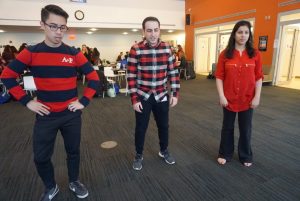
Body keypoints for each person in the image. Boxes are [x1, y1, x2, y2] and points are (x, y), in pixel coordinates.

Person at [0, 4, 99, 200]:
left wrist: (83, 102)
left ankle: (73, 181)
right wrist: (27, 101)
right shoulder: (31, 52)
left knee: (73, 152)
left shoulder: (73, 53)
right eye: (53, 26)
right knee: (41, 157)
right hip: (45, 115)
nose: (59, 32)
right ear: (42, 25)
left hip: (71, 114)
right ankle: (51, 186)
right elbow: (7, 76)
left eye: (63, 27)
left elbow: (94, 78)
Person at [127, 16, 180, 171]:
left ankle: (164, 150)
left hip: (161, 94)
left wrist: (175, 93)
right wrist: (134, 99)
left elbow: (173, 72)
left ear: (159, 30)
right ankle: (138, 155)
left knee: (164, 126)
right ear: (143, 31)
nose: (153, 34)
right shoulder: (136, 49)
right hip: (143, 95)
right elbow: (130, 76)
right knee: (140, 128)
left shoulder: (167, 48)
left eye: (156, 30)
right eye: (149, 30)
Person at [215, 20, 263, 167]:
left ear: (249, 35)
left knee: (245, 128)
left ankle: (245, 155)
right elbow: (219, 76)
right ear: (234, 34)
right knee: (227, 127)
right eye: (240, 32)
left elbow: (259, 77)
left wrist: (257, 96)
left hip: (247, 99)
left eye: (246, 32)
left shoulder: (255, 54)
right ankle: (225, 153)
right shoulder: (225, 54)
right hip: (229, 98)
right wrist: (222, 96)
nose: (243, 35)